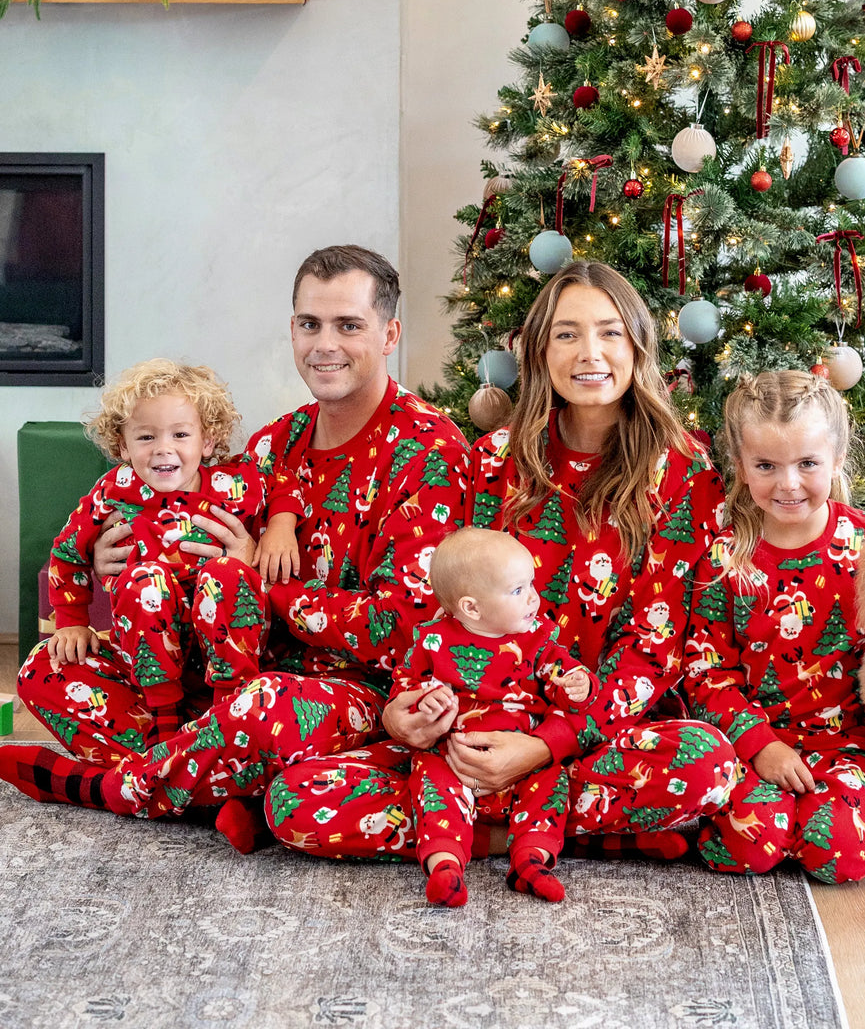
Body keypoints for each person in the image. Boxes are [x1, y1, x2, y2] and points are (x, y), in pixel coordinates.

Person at [261, 261, 739, 859]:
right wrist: (405, 712)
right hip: (464, 734)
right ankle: (533, 832)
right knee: (294, 801)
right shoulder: (494, 460)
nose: (589, 351)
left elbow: (654, 644)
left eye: (610, 332)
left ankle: (483, 833)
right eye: (567, 334)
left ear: (638, 345)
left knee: (707, 764)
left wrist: (548, 743)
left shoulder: (683, 473)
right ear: (539, 350)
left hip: (584, 741)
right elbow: (440, 605)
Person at [3, 246, 470, 849]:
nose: (325, 343)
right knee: (48, 670)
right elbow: (187, 527)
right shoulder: (278, 441)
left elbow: (405, 626)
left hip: (349, 692)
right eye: (310, 324)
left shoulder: (429, 451)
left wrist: (266, 584)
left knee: (260, 707)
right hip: (227, 670)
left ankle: (112, 787)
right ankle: (224, 782)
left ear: (389, 334)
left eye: (348, 325)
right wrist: (108, 559)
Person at [683, 370, 865, 884]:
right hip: (755, 746)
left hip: (849, 746)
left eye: (808, 464)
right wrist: (760, 745)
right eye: (767, 465)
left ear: (837, 459)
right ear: (741, 466)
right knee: (750, 848)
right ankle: (771, 824)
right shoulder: (726, 558)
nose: (788, 484)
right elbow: (707, 672)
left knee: (841, 854)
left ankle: (820, 821)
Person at [42, 359, 304, 746]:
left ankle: (228, 715)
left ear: (208, 441)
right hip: (149, 652)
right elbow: (67, 551)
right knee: (142, 580)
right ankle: (164, 731)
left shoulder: (234, 482)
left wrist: (281, 526)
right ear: (122, 445)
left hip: (228, 644)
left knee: (227, 573)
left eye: (180, 434)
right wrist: (70, 621)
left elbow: (282, 483)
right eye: (146, 437)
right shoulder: (114, 491)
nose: (164, 449)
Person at [393, 526, 597, 906]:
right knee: (431, 786)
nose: (535, 600)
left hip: (525, 763)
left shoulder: (537, 637)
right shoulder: (433, 640)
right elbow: (406, 689)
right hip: (452, 757)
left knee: (551, 785)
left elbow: (562, 673)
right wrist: (424, 704)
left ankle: (531, 863)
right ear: (471, 607)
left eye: (532, 586)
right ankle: (445, 867)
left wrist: (578, 683)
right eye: (519, 591)